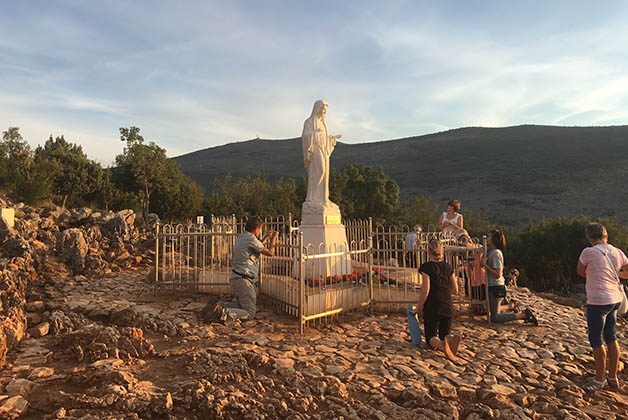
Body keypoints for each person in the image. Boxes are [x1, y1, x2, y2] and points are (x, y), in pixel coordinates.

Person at [577, 222, 628, 392]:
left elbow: (580, 271)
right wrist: (615, 273)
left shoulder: (588, 252)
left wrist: (595, 273)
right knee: (611, 337)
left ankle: (599, 379)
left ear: (589, 238)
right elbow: (627, 271)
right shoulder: (617, 251)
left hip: (597, 301)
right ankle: (613, 377)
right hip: (614, 299)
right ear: (606, 236)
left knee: (597, 340)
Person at [213, 216, 278, 321]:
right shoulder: (251, 239)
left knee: (242, 306)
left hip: (236, 278)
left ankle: (220, 305)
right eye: (260, 229)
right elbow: (270, 252)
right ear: (256, 229)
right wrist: (274, 238)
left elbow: (257, 246)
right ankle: (223, 313)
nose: (260, 232)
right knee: (250, 312)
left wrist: (266, 237)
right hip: (243, 280)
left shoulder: (242, 237)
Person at [411, 239, 462, 362]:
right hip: (447, 305)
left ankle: (442, 345)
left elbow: (425, 290)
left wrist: (418, 308)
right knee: (444, 333)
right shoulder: (448, 267)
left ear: (428, 251)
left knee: (430, 337)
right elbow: (455, 290)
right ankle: (448, 339)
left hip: (433, 305)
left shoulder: (426, 267)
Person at [481, 230, 538, 326]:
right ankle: (511, 307)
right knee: (491, 312)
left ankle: (523, 315)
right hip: (493, 286)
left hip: (496, 287)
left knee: (494, 318)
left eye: (489, 236)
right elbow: (480, 264)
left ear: (494, 239)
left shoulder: (496, 253)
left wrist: (485, 266)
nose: (487, 238)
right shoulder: (490, 251)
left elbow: (497, 274)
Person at [301, 100, 342, 207]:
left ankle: (324, 198)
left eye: (325, 110)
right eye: (322, 109)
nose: (324, 112)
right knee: (320, 171)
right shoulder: (309, 122)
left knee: (325, 174)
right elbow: (305, 136)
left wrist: (331, 138)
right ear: (317, 109)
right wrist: (315, 134)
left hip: (323, 150)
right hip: (316, 151)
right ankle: (313, 198)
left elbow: (324, 138)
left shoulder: (323, 123)